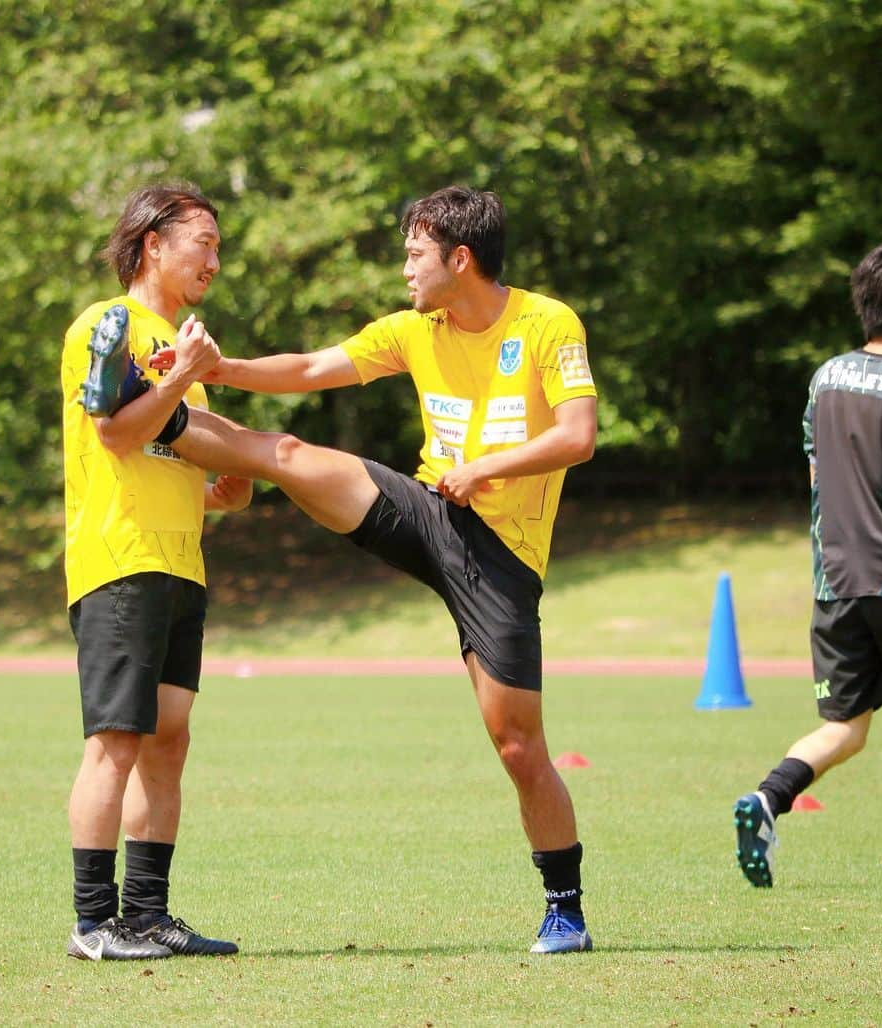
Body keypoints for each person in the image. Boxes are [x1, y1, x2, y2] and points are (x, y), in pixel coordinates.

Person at [135, 185, 598, 953]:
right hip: (427, 513)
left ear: (461, 257)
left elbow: (578, 435)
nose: (405, 269)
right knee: (286, 455)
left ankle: (565, 909)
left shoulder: (549, 324)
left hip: (502, 559)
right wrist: (217, 367)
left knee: (518, 746)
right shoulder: (417, 327)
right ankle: (168, 419)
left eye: (416, 254)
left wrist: (489, 467)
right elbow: (315, 367)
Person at [60, 183, 252, 960]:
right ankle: (93, 923)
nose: (213, 256)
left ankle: (147, 915)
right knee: (116, 741)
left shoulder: (183, 352)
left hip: (180, 566)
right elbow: (113, 436)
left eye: (217, 244)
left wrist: (224, 491)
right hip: (121, 561)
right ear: (152, 244)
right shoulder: (107, 327)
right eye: (201, 239)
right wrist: (182, 378)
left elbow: (165, 456)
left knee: (168, 741)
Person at [734, 241, 882, 888]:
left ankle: (767, 798)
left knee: (845, 727)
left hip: (834, 581)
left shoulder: (826, 377)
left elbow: (819, 478)